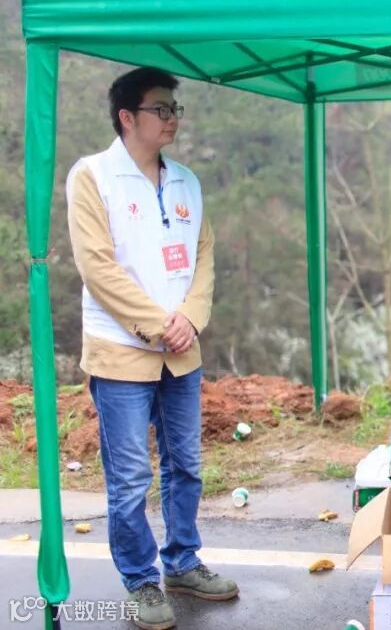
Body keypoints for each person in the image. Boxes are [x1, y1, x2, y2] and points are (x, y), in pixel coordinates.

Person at [66, 67, 234, 630]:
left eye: (174, 109)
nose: (171, 119)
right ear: (126, 117)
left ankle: (182, 562)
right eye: (160, 109)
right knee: (131, 475)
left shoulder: (186, 180)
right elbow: (97, 267)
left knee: (186, 464)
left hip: (182, 349)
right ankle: (140, 580)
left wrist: (190, 319)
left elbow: (203, 258)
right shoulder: (93, 176)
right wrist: (158, 325)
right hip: (121, 350)